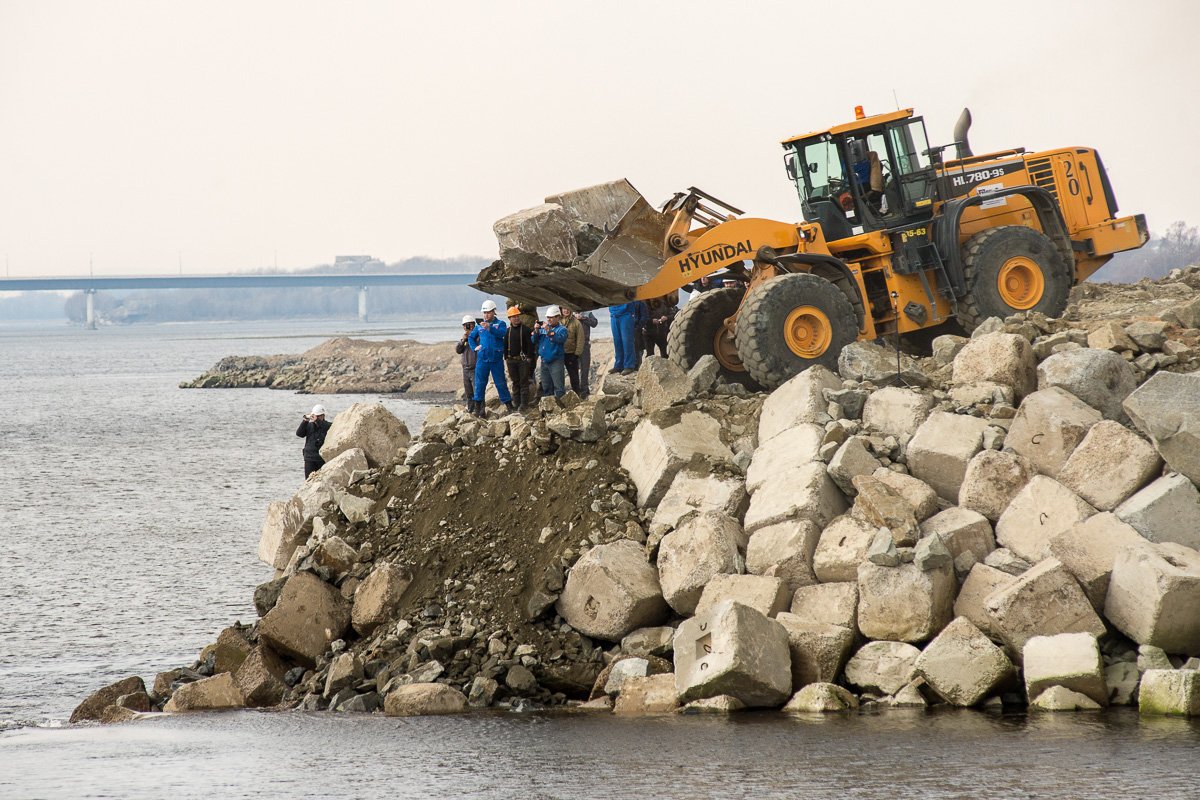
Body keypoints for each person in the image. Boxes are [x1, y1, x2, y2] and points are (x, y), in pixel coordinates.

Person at [469, 299, 515, 417]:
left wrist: (490, 328)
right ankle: (478, 409)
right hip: (482, 359)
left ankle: (509, 406)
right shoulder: (479, 326)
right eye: (484, 313)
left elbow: (502, 334)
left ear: (494, 312)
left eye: (488, 312)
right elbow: (471, 338)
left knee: (500, 383)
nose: (486, 315)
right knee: (480, 384)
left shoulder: (500, 324)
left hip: (496, 359)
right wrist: (475, 347)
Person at [504, 305, 537, 410]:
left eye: (517, 316)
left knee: (524, 382)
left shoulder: (526, 330)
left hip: (523, 361)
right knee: (515, 383)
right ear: (509, 318)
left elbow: (530, 346)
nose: (517, 318)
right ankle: (516, 403)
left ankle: (524, 404)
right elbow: (505, 345)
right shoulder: (508, 331)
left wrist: (529, 358)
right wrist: (506, 358)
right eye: (514, 316)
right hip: (511, 361)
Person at [533, 306, 569, 398]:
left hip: (556, 361)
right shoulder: (542, 329)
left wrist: (549, 332)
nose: (549, 319)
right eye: (548, 317)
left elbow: (560, 339)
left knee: (559, 387)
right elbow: (533, 340)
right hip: (544, 361)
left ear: (558, 317)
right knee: (546, 387)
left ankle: (561, 408)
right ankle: (550, 408)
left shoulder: (562, 329)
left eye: (551, 317)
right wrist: (536, 330)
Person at [296, 404, 331, 478]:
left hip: (321, 458)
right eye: (316, 416)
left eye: (319, 416)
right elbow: (299, 434)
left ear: (323, 416)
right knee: (309, 480)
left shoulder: (328, 426)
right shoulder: (309, 426)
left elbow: (324, 426)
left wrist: (317, 420)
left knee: (322, 479)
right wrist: (305, 421)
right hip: (309, 458)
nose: (317, 418)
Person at [455, 314, 479, 415]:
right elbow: (458, 350)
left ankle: (479, 410)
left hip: (475, 368)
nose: (466, 328)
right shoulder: (464, 339)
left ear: (473, 325)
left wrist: (471, 338)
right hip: (465, 368)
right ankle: (470, 409)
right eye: (464, 326)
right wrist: (463, 340)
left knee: (476, 391)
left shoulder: (478, 336)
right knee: (468, 392)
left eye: (468, 325)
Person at [609, 302, 637, 375]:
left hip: (626, 315)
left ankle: (629, 365)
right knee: (617, 341)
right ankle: (618, 365)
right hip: (614, 315)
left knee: (627, 341)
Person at [575, 308, 598, 398]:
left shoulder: (588, 313)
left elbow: (594, 323)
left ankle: (584, 390)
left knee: (585, 368)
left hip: (585, 344)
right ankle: (576, 390)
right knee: (574, 369)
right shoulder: (570, 313)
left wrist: (583, 318)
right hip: (573, 345)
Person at [561, 304, 583, 395]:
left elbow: (580, 339)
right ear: (561, 309)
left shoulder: (576, 323)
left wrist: (577, 354)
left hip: (571, 353)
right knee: (558, 375)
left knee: (574, 376)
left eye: (568, 308)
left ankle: (577, 394)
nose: (566, 310)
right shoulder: (558, 321)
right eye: (564, 308)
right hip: (559, 353)